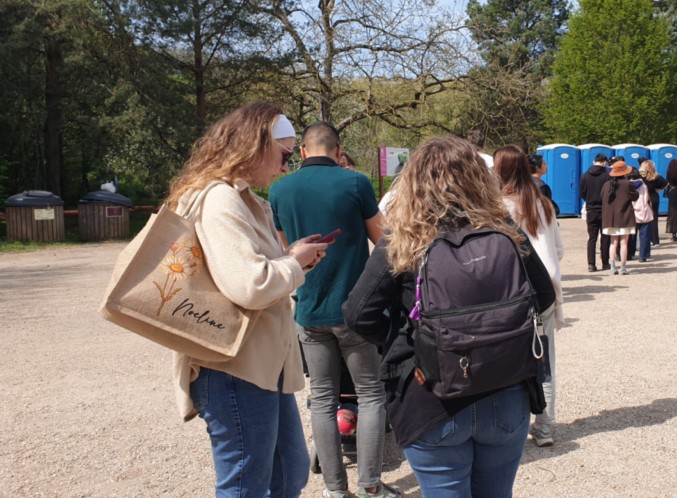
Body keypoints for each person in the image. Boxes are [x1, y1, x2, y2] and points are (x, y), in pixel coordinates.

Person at [342, 136, 556, 498]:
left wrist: (410, 338)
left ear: (414, 182)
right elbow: (545, 295)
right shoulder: (504, 230)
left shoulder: (404, 237)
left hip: (432, 397)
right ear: (478, 178)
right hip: (506, 390)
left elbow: (358, 314)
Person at [166, 102, 328, 497]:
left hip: (257, 364)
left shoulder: (239, 198)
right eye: (284, 155)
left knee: (287, 474)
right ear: (256, 145)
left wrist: (292, 260)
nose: (285, 166)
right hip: (234, 366)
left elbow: (254, 273)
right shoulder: (220, 199)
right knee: (246, 485)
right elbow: (249, 286)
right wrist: (293, 263)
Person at [269, 122, 399, 498]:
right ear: (338, 151)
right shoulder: (355, 183)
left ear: (304, 152)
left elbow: (285, 253)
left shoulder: (278, 188)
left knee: (322, 399)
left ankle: (334, 490)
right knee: (371, 394)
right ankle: (370, 486)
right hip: (355, 309)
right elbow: (384, 240)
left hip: (308, 309)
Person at [494, 145, 565, 447]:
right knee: (544, 359)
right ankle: (545, 426)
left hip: (512, 293)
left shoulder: (498, 208)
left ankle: (511, 424)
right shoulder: (544, 203)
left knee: (508, 360)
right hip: (545, 290)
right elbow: (559, 249)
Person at [601, 160, 638, 275]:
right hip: (625, 216)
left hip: (610, 218)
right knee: (623, 243)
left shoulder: (607, 184)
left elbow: (601, 196)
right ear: (624, 172)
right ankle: (623, 267)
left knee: (613, 242)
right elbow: (635, 197)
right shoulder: (628, 184)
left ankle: (612, 266)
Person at [579, 153, 612, 272]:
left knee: (592, 238)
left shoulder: (585, 175)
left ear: (594, 162)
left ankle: (591, 264)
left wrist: (589, 200)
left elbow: (582, 193)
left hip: (591, 209)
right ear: (604, 162)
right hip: (605, 209)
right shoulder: (608, 175)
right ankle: (605, 262)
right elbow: (611, 192)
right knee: (605, 237)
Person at [639, 160, 668, 246]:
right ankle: (655, 240)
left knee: (642, 219)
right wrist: (659, 189)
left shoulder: (640, 177)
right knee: (654, 219)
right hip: (654, 198)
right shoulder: (656, 177)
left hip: (643, 199)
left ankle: (643, 240)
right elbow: (666, 184)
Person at [629, 169, 655, 262]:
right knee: (644, 235)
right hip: (643, 210)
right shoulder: (643, 184)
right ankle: (643, 255)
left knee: (631, 234)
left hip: (631, 211)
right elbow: (647, 197)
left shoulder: (626, 185)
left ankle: (629, 254)